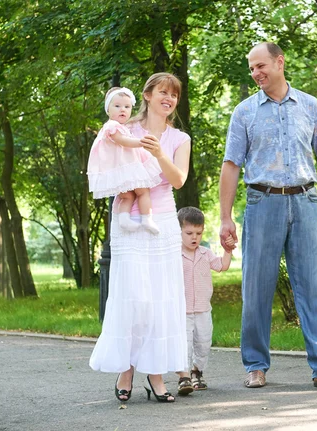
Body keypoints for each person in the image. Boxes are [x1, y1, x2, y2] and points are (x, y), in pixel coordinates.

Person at [219, 42, 317, 390]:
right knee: (256, 287)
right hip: (262, 203)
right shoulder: (244, 112)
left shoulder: (310, 106)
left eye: (261, 66)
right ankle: (255, 364)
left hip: (305, 201)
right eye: (251, 68)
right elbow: (231, 166)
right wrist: (225, 217)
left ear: (280, 62)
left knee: (311, 287)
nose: (256, 73)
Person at [89, 73, 191, 403]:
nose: (169, 99)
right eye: (162, 92)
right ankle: (126, 369)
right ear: (146, 95)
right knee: (133, 296)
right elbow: (106, 162)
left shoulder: (180, 138)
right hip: (127, 220)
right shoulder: (124, 127)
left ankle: (156, 375)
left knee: (160, 299)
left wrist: (160, 153)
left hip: (162, 220)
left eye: (173, 95)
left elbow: (178, 180)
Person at [174, 206, 235, 395]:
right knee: (184, 343)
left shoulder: (205, 253)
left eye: (198, 233)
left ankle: (197, 371)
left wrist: (227, 249)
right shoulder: (173, 255)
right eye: (189, 233)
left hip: (202, 309)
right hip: (182, 310)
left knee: (203, 342)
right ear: (179, 232)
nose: (194, 237)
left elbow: (222, 266)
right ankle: (183, 378)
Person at [87, 87, 162, 234]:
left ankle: (125, 220)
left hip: (123, 168)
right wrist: (140, 142)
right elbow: (123, 142)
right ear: (108, 110)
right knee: (143, 191)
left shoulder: (119, 127)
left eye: (127, 107)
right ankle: (147, 218)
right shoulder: (112, 127)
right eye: (117, 106)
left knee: (128, 195)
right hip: (126, 168)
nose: (123, 110)